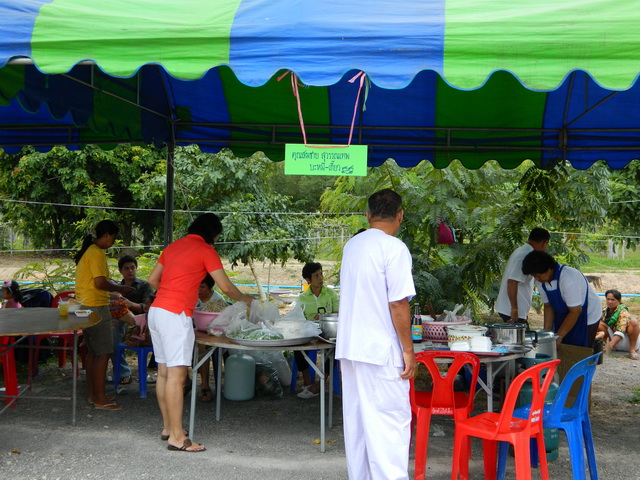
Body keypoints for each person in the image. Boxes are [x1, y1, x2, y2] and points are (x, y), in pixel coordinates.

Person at [147, 213, 254, 453]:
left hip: (157, 311)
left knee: (164, 372)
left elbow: (153, 279)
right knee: (177, 376)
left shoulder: (173, 247)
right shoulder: (206, 250)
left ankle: (168, 428)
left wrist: (171, 291)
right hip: (175, 315)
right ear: (213, 234)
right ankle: (177, 437)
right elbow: (226, 287)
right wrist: (247, 299)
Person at [336, 189, 417, 479]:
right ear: (400, 215)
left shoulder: (353, 245)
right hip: (380, 351)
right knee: (389, 426)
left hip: (351, 348)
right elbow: (397, 303)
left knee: (359, 426)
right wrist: (408, 350)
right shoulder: (394, 248)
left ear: (368, 215)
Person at [74, 220, 134, 411]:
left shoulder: (89, 251)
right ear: (107, 235)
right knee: (103, 353)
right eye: (113, 239)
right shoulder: (97, 253)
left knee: (93, 352)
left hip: (85, 306)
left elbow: (93, 284)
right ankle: (100, 398)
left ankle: (94, 394)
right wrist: (120, 287)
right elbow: (100, 283)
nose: (112, 243)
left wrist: (113, 292)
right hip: (96, 307)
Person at [522, 250, 601, 348]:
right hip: (567, 313)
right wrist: (546, 334)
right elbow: (548, 306)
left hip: (587, 316)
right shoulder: (541, 281)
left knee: (579, 350)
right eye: (534, 276)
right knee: (560, 347)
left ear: (549, 269)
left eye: (538, 276)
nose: (537, 279)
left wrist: (559, 337)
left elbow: (576, 311)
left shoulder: (568, 278)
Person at [295, 262, 339, 399]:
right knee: (297, 347)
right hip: (310, 332)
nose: (320, 278)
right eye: (316, 276)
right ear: (308, 280)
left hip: (328, 332)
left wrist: (324, 316)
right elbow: (299, 317)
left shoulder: (330, 293)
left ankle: (320, 383)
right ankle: (307, 380)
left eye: (321, 274)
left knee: (334, 348)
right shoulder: (303, 297)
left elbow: (338, 313)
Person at [110, 255, 156, 386]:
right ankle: (123, 372)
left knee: (117, 327)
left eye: (132, 268)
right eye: (126, 268)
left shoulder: (144, 285)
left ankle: (122, 372)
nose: (130, 271)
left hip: (144, 322)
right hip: (123, 321)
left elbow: (148, 307)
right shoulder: (117, 288)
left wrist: (130, 304)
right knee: (113, 329)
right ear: (120, 271)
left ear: (136, 268)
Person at [496, 228, 550, 323]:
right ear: (544, 243)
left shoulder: (521, 250)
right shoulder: (525, 255)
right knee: (520, 336)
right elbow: (512, 281)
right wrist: (514, 309)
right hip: (511, 310)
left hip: (513, 308)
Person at [195, 274, 228, 402]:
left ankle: (205, 385)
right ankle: (185, 382)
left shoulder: (217, 301)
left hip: (214, 335)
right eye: (196, 287)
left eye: (202, 287)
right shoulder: (193, 297)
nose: (198, 291)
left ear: (210, 288)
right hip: (196, 331)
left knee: (202, 346)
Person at [596, 289, 640, 360]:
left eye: (613, 300)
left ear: (619, 300)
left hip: (626, 341)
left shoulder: (623, 311)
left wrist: (611, 345)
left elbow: (621, 329)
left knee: (633, 322)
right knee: (597, 323)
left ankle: (632, 350)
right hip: (613, 340)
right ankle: (610, 346)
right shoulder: (605, 311)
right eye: (608, 299)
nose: (610, 302)